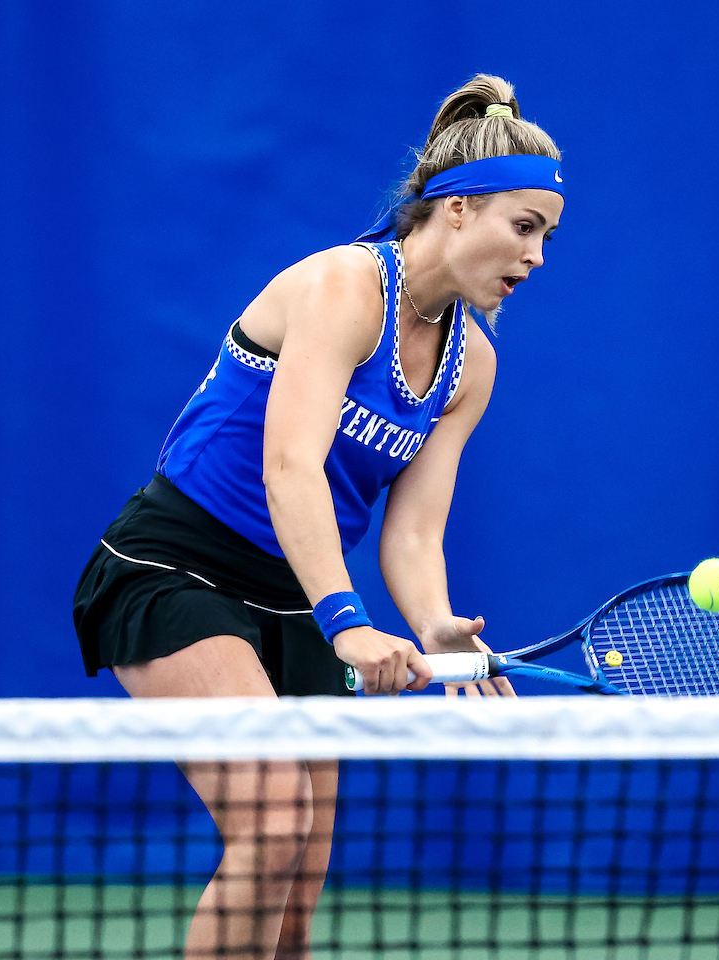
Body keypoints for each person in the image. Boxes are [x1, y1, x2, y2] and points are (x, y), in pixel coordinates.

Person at [72, 74, 564, 960]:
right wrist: (350, 623)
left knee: (295, 894)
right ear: (456, 209)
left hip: (298, 594)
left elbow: (413, 531)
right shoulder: (346, 285)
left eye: (546, 238)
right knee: (272, 820)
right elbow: (289, 466)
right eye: (523, 227)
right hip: (177, 567)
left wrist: (433, 624)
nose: (534, 257)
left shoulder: (473, 366)